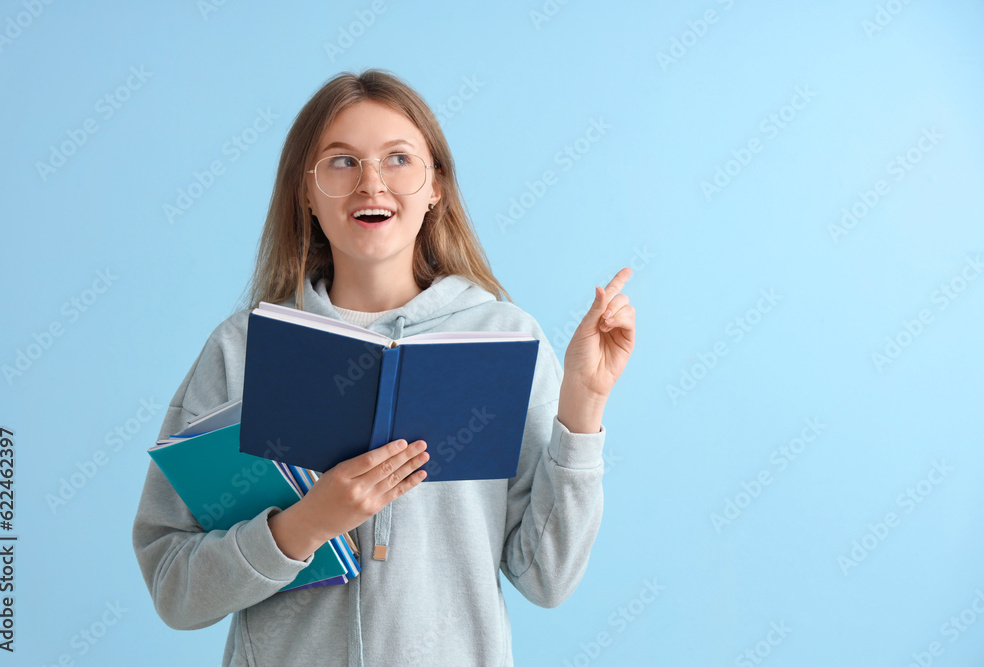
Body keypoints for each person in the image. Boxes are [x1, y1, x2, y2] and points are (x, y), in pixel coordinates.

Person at [132, 68, 635, 667]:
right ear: (306, 192)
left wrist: (583, 407)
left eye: (398, 158)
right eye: (342, 162)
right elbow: (175, 588)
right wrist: (304, 525)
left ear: (435, 187)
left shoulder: (503, 340)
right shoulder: (243, 349)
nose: (372, 182)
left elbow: (545, 577)